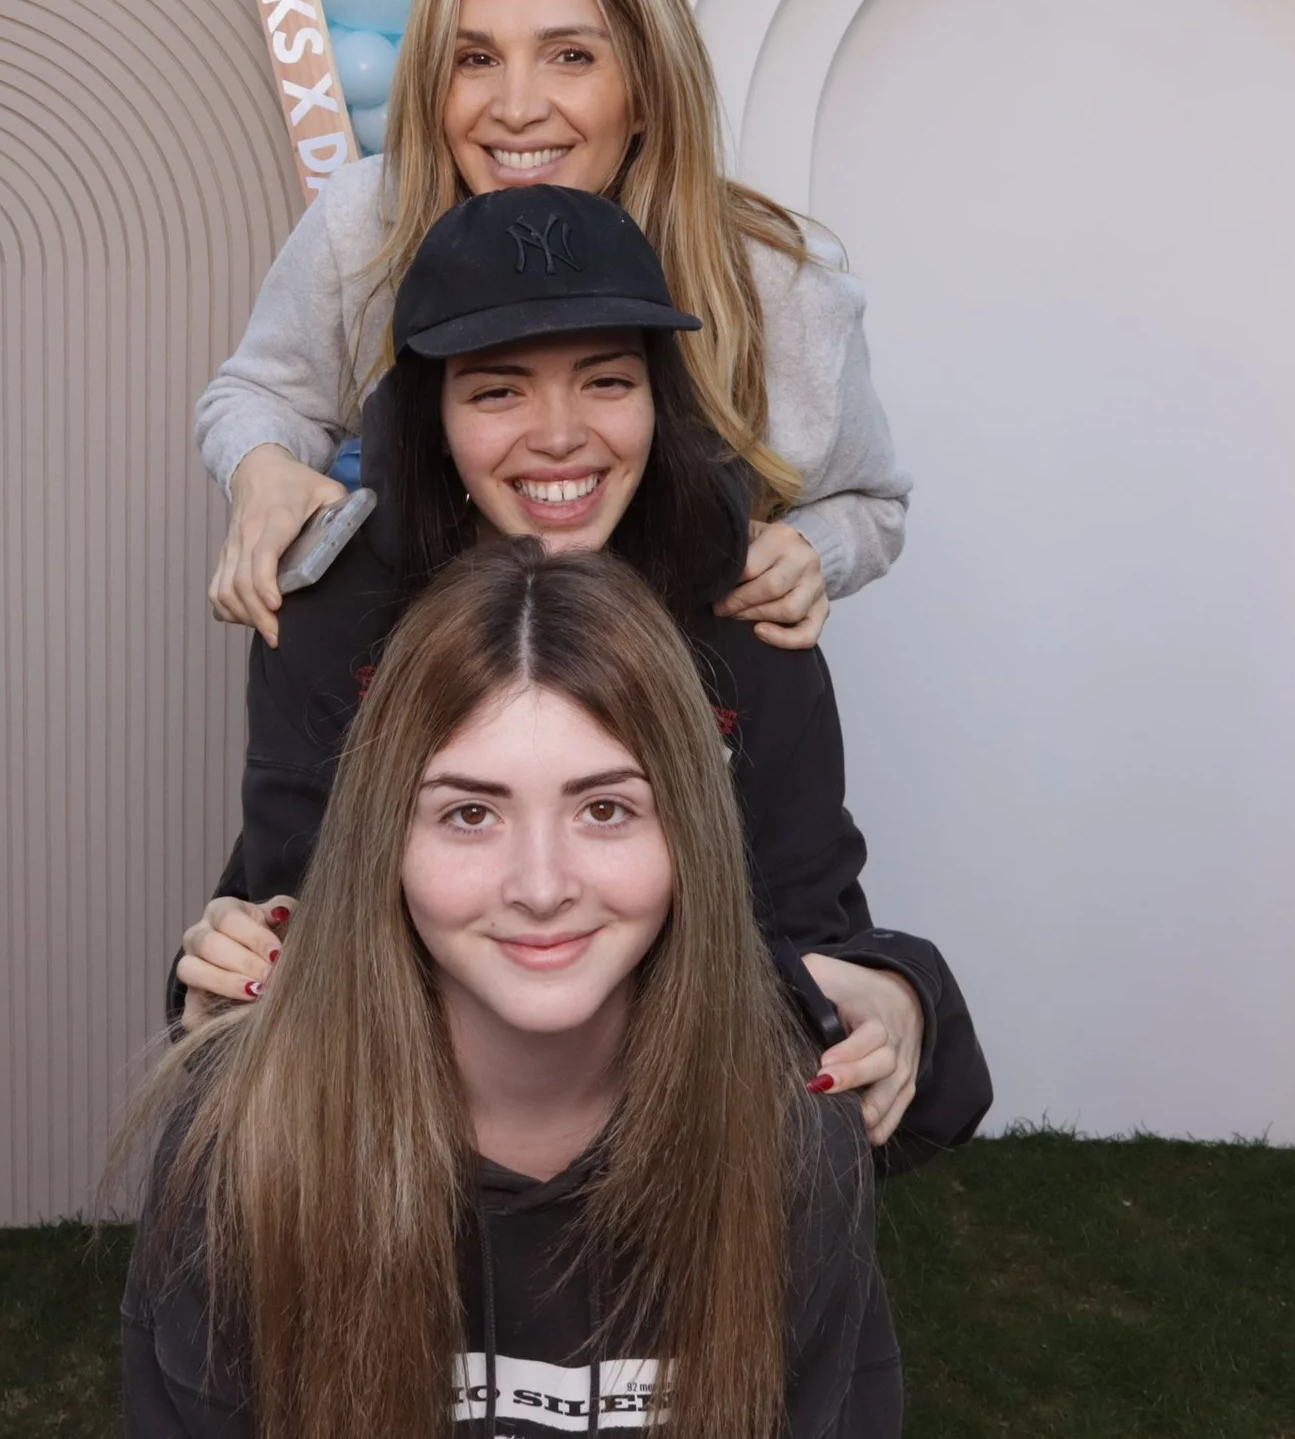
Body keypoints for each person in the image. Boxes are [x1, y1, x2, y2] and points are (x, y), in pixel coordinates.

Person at [178, 185, 987, 1156]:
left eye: (606, 382)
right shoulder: (324, 613)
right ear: (431, 415)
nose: (560, 435)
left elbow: (813, 925)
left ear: (660, 396)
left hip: (676, 1135)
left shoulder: (746, 608)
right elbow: (285, 919)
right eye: (498, 390)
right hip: (401, 1141)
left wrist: (891, 1001)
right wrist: (229, 970)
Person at [123, 541, 905, 1438]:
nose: (540, 885)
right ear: (387, 844)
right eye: (469, 812)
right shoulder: (237, 1154)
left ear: (688, 832)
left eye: (605, 808)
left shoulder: (797, 1144)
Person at [199, 0, 909, 653]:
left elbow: (872, 502)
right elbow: (259, 392)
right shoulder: (367, 221)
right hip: (426, 695)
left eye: (570, 56)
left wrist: (814, 549)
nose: (515, 107)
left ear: (646, 89)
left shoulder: (777, 282)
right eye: (475, 59)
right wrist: (262, 465)